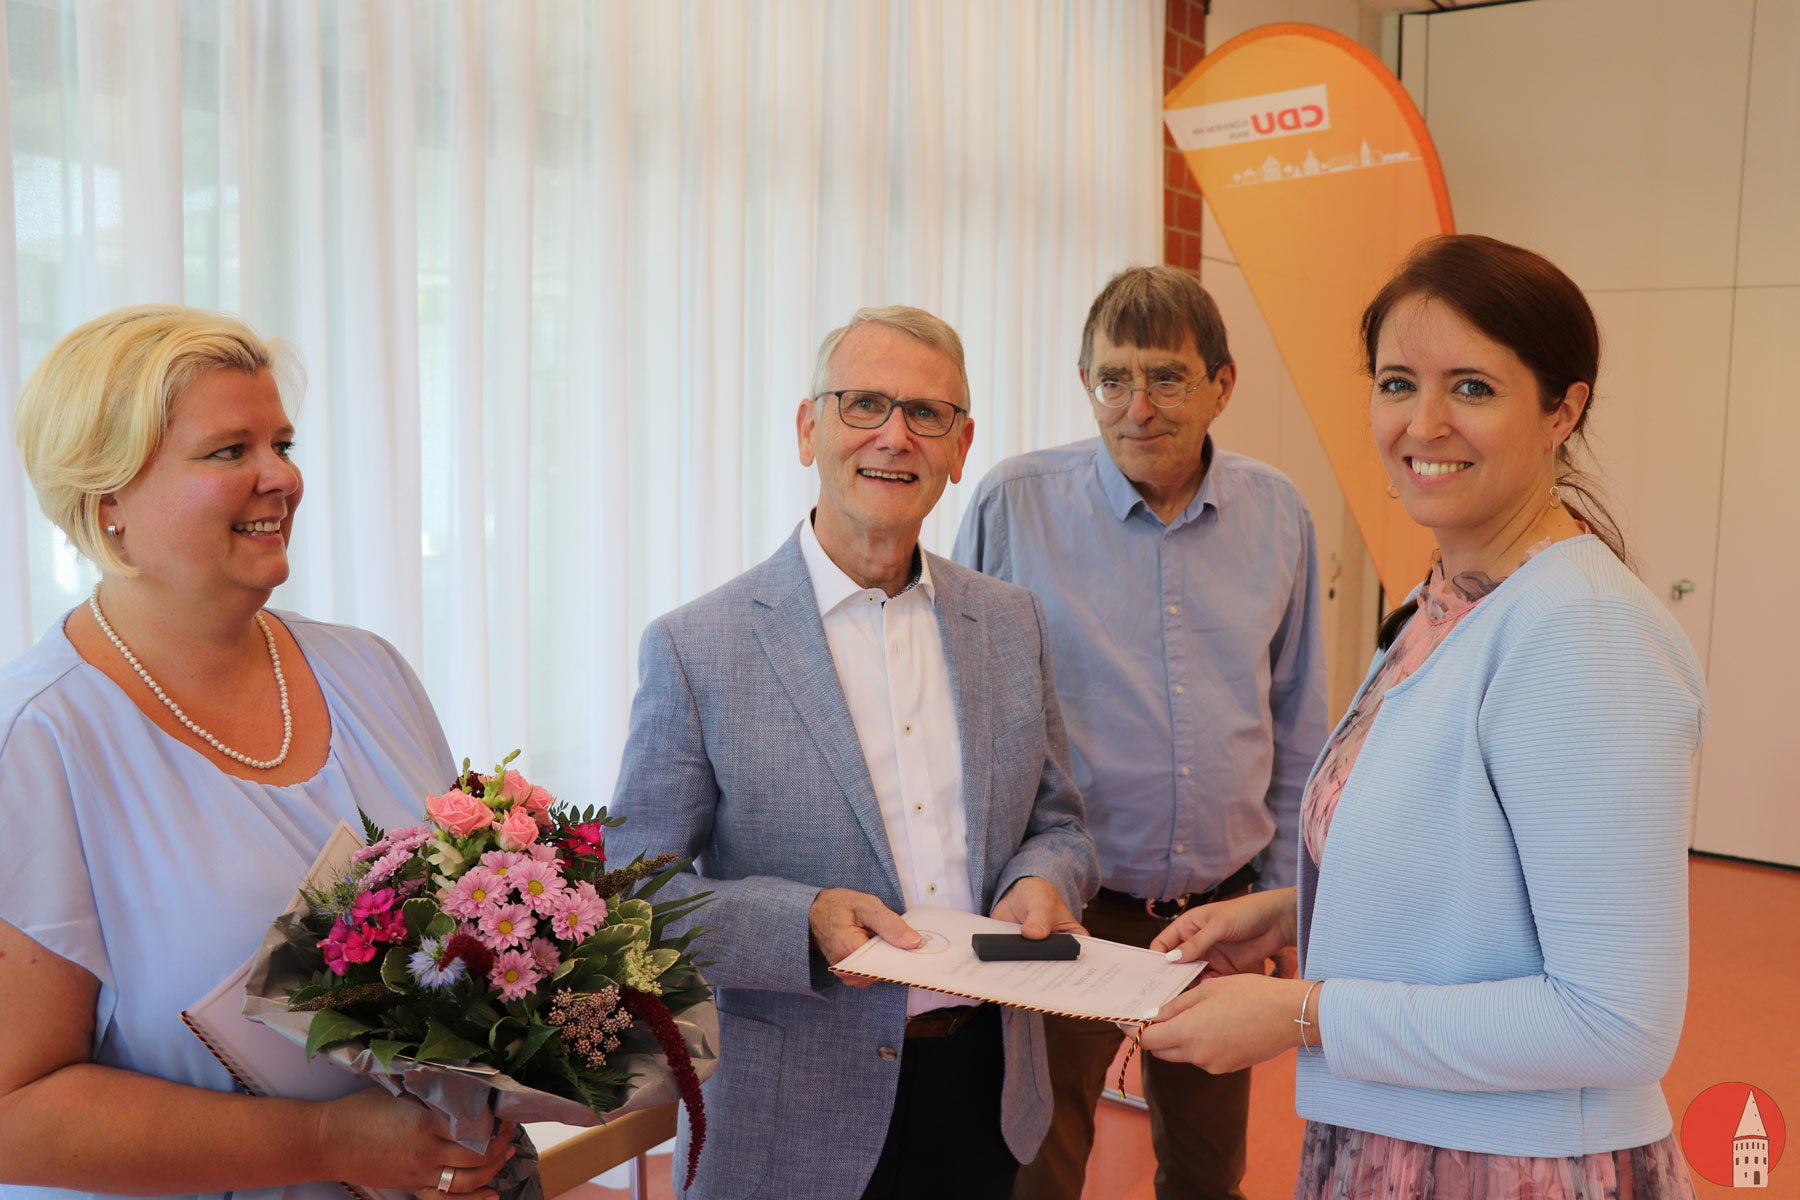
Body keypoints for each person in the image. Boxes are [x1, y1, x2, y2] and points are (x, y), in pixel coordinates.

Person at [1142, 235, 1705, 1200]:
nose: (1424, 423)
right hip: (1400, 1133)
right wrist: (1294, 913)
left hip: (1515, 1167)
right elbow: (1472, 879)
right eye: (1397, 383)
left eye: (1473, 388)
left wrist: (1301, 1014)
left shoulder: (1581, 633)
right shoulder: (1447, 600)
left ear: (1563, 410)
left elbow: (1615, 1020)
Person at [0, 306, 519, 1200]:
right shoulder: (38, 739)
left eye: (281, 443)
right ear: (107, 500)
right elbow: (14, 1112)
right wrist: (325, 1142)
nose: (282, 476)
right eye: (229, 451)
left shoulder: (369, 669)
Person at [606, 305, 1100, 1200]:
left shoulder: (1010, 624)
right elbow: (636, 896)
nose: (895, 437)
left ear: (960, 447)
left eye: (927, 414)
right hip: (790, 1120)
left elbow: (1057, 823)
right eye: (864, 403)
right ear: (808, 429)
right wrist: (801, 920)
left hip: (985, 1092)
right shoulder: (697, 647)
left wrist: (1045, 878)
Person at [953, 265, 1327, 1199]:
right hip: (1061, 911)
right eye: (1113, 379)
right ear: (1086, 382)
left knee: (1207, 1176)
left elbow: (1298, 718)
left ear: (1221, 385)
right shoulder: (1014, 504)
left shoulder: (1279, 511)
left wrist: (1288, 898)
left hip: (1220, 919)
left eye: (1166, 377)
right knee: (1037, 1169)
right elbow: (965, 707)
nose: (1138, 408)